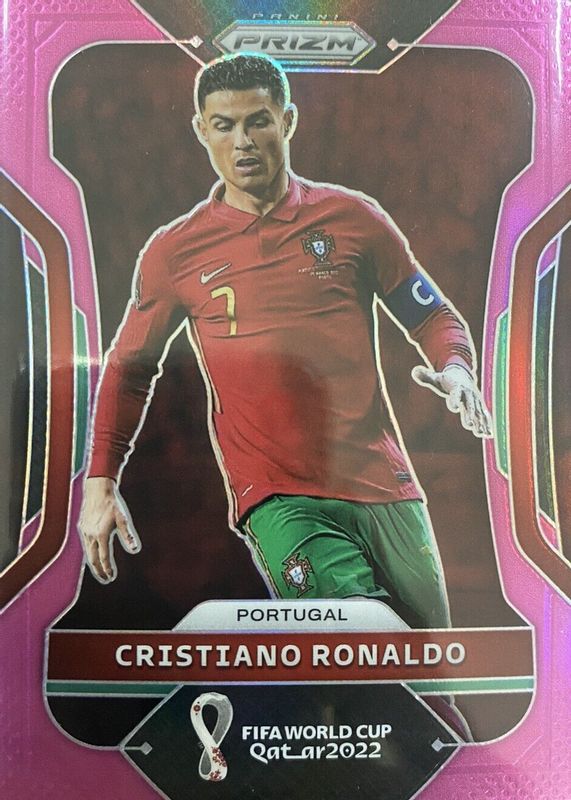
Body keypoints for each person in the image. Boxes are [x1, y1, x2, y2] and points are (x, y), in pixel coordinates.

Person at [80, 54, 491, 633]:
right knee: (362, 639)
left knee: (432, 665)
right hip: (279, 498)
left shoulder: (353, 219)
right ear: (201, 131)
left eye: (258, 121)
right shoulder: (175, 251)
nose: (243, 141)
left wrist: (456, 367)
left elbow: (431, 316)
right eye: (224, 125)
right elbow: (129, 368)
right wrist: (100, 483)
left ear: (288, 121)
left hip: (386, 485)